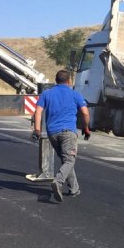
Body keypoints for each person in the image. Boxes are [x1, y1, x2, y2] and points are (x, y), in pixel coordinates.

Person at [32, 69, 91, 203]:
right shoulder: (75, 94)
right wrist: (86, 128)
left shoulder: (47, 94)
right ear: (69, 81)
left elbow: (38, 112)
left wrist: (36, 130)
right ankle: (58, 181)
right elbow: (85, 113)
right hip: (68, 132)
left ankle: (74, 189)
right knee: (70, 160)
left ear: (56, 80)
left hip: (52, 133)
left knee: (66, 160)